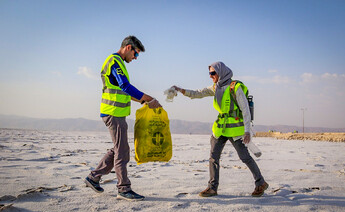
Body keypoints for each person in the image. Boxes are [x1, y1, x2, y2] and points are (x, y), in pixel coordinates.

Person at [172, 61, 268, 197]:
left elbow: (245, 110)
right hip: (220, 129)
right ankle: (212, 188)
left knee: (245, 157)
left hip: (235, 131)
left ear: (221, 72)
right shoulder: (216, 87)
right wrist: (181, 90)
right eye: (209, 73)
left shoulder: (236, 87)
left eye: (213, 73)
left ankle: (261, 183)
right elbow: (198, 93)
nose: (210, 76)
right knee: (213, 158)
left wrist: (247, 131)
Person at [84, 36, 161, 201]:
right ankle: (123, 189)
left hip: (115, 113)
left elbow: (123, 90)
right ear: (128, 47)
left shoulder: (117, 62)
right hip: (113, 113)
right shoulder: (115, 61)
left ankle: (94, 177)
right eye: (136, 54)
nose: (135, 58)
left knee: (119, 148)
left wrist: (143, 101)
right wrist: (149, 99)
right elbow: (125, 86)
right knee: (122, 151)